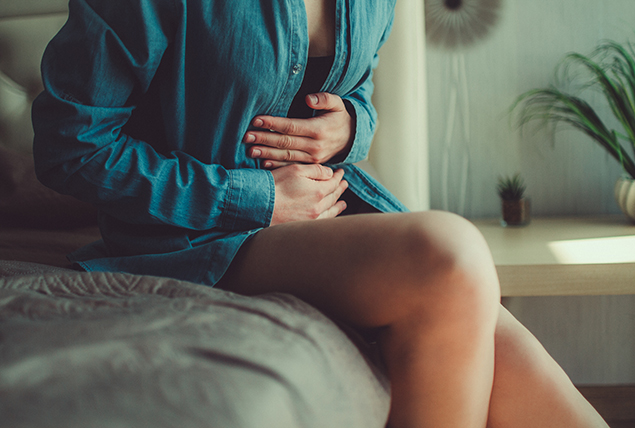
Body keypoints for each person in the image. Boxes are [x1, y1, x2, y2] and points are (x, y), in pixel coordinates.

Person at [32, 0, 609, 426]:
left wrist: (351, 127)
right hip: (193, 238)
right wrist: (255, 196)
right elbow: (71, 146)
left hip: (330, 216)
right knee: (449, 254)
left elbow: (358, 93)